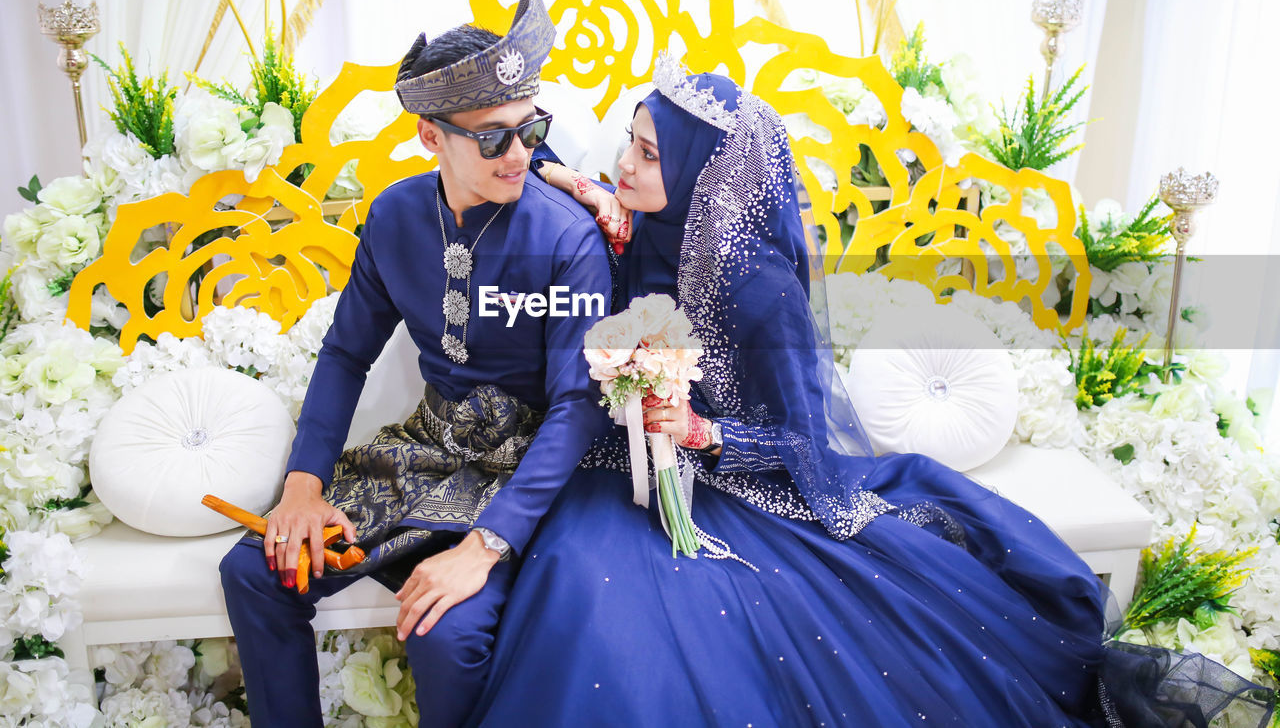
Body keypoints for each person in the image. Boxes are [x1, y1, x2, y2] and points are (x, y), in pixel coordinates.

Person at [469, 56, 1273, 727]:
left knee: (697, 621)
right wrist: (575, 183)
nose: (626, 164)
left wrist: (704, 434)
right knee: (578, 583)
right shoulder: (642, 225)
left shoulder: (757, 287)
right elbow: (524, 162)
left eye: (647, 154)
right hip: (621, 468)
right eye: (629, 145)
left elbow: (804, 444)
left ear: (699, 171)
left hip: (740, 491)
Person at [218, 0, 613, 728]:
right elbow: (344, 354)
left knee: (447, 631)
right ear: (432, 137)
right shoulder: (396, 215)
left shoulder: (568, 239)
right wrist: (303, 486)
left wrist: (485, 546)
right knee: (257, 569)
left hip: (525, 475)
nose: (520, 153)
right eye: (493, 137)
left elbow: (577, 406)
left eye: (531, 129)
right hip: (425, 453)